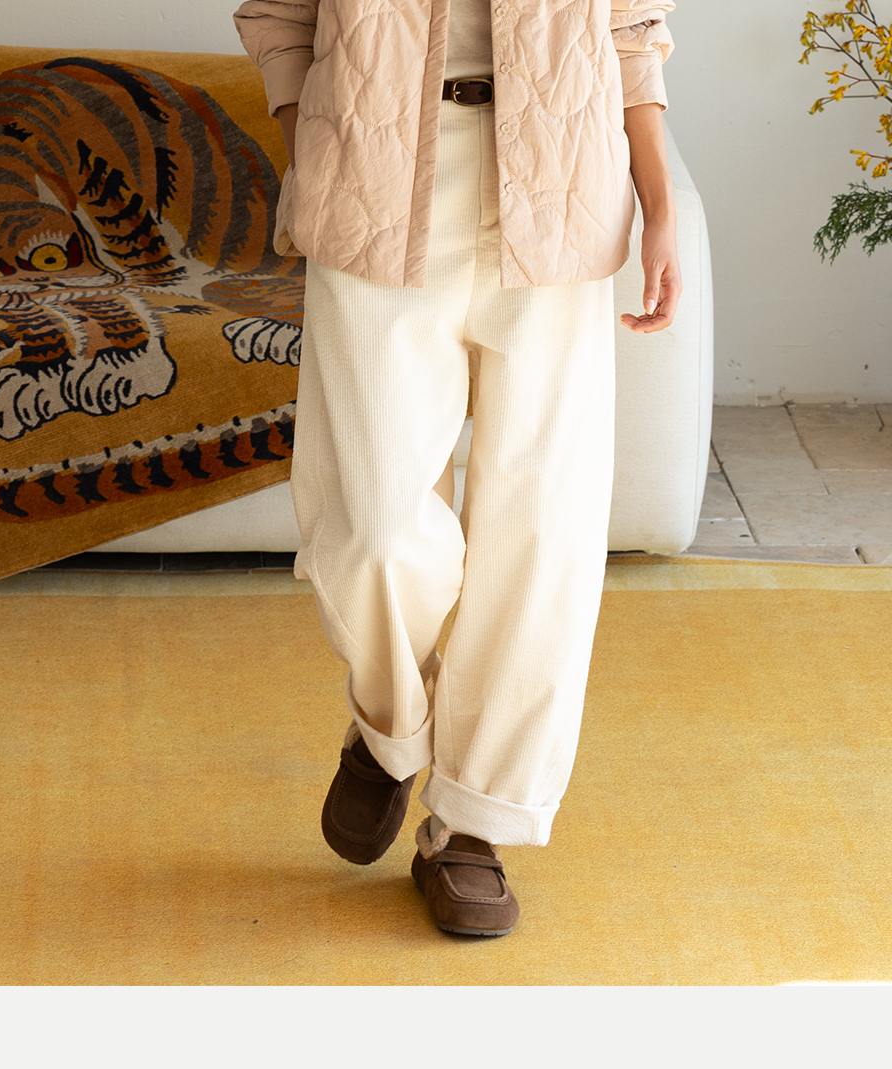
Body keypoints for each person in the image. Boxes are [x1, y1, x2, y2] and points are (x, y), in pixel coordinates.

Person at [234, 0, 680, 936]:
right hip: (374, 179)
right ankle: (390, 723)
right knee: (373, 527)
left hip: (563, 184)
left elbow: (631, 33)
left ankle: (474, 823)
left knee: (541, 529)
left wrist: (660, 206)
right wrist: (316, 149)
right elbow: (279, 16)